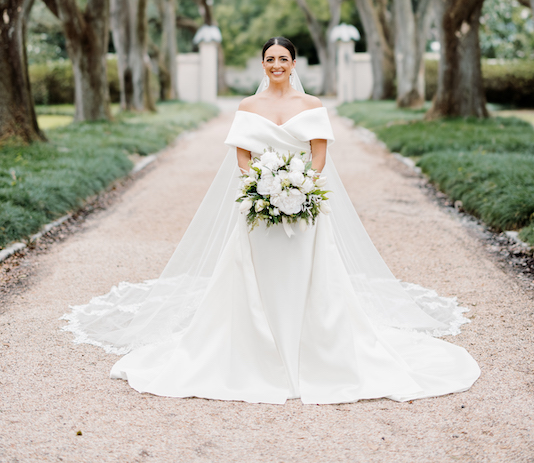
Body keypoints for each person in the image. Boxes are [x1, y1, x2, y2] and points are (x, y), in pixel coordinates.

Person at [63, 36, 480, 404]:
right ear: (263, 65)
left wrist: (303, 190)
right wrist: (261, 186)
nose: (277, 65)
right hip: (259, 206)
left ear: (294, 64)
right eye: (270, 59)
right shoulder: (249, 106)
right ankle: (254, 353)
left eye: (283, 59)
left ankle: (315, 352)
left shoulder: (311, 105)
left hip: (306, 204)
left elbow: (319, 154)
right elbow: (241, 156)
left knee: (313, 273)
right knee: (253, 274)